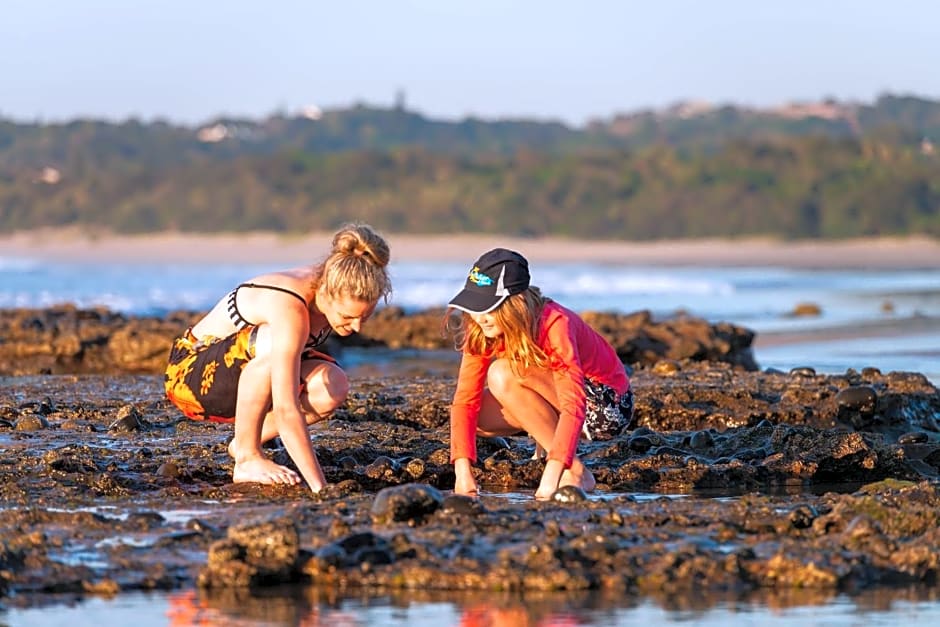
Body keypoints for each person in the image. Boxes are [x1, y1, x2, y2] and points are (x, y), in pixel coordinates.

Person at [164, 223, 392, 494]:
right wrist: (320, 488)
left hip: (236, 380)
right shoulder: (291, 308)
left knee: (333, 385)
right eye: (347, 317)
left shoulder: (337, 279)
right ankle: (247, 458)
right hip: (189, 377)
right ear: (326, 294)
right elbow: (286, 408)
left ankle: (244, 441)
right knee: (276, 343)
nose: (356, 328)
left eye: (364, 317)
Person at [446, 248, 634, 500]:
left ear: (516, 304)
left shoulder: (555, 322)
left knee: (502, 373)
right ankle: (550, 442)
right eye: (475, 306)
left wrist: (554, 473)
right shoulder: (480, 327)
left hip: (605, 406)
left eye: (489, 308)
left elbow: (573, 403)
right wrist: (462, 473)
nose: (481, 318)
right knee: (475, 418)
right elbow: (465, 399)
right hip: (556, 395)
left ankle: (576, 471)